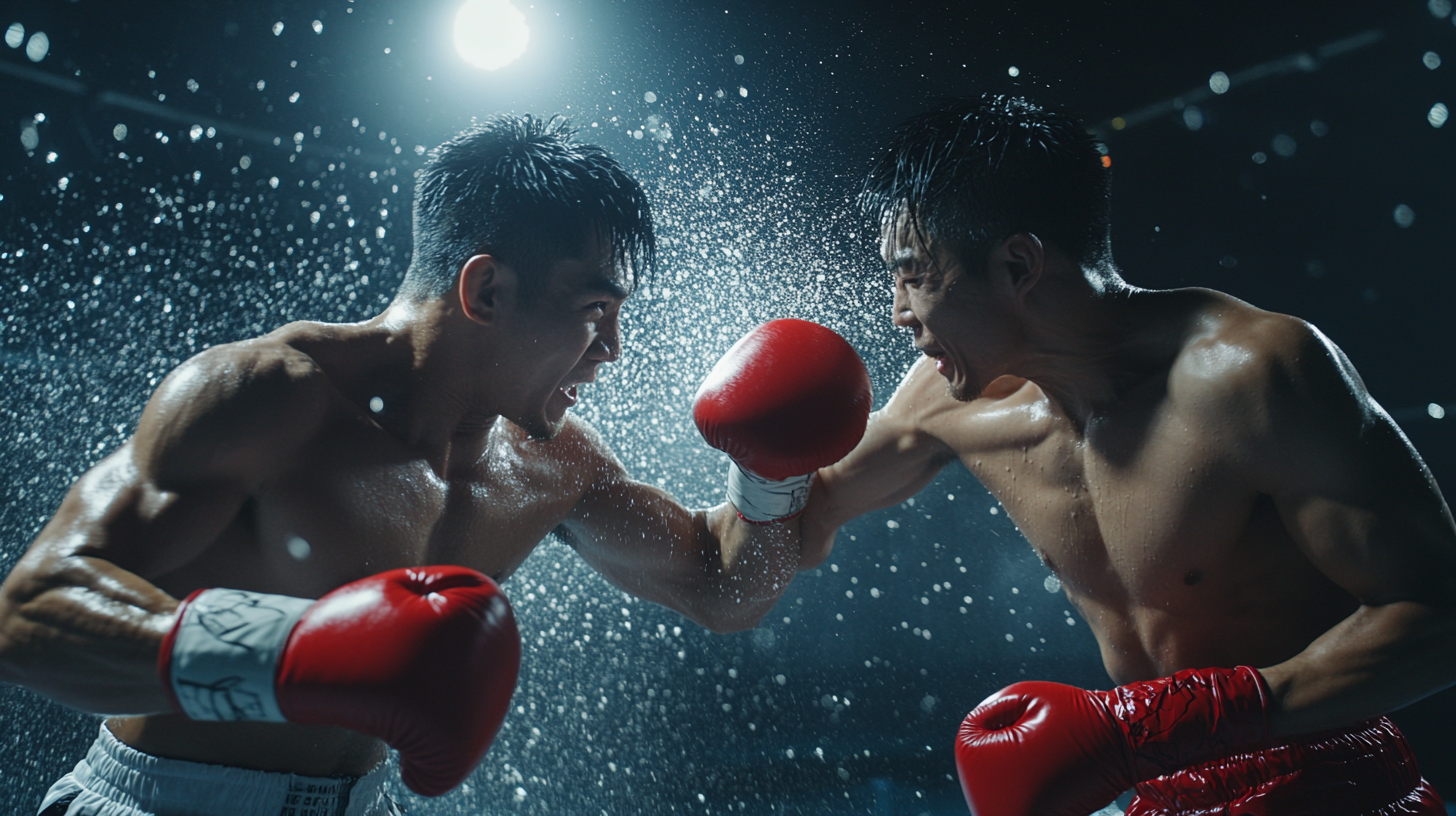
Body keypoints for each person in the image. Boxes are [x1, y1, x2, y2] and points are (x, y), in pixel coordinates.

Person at [0, 115, 869, 815]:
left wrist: (770, 475)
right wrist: (293, 656)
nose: (612, 350)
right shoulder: (269, 396)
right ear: (486, 290)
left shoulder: (554, 461)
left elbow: (721, 587)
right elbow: (29, 616)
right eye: (594, 310)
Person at [793, 96, 1456, 814]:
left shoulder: (1249, 372)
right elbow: (787, 529)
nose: (897, 310)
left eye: (914, 274)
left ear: (1018, 264)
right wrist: (759, 463)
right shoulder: (941, 401)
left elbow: (1442, 616)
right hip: (1154, 785)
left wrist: (1149, 726)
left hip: (1329, 783)